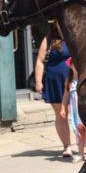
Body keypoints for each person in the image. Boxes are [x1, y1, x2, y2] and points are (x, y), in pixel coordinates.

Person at [34, 24, 73, 158]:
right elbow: (40, 61)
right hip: (55, 80)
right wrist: (39, 81)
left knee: (81, 115)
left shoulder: (74, 33)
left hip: (74, 80)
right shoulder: (49, 39)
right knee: (61, 115)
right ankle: (67, 146)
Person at [60, 60, 86, 163]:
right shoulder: (69, 81)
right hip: (75, 112)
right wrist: (63, 108)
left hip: (85, 110)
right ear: (70, 66)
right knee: (79, 133)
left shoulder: (84, 78)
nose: (75, 66)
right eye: (73, 64)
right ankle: (80, 154)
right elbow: (65, 96)